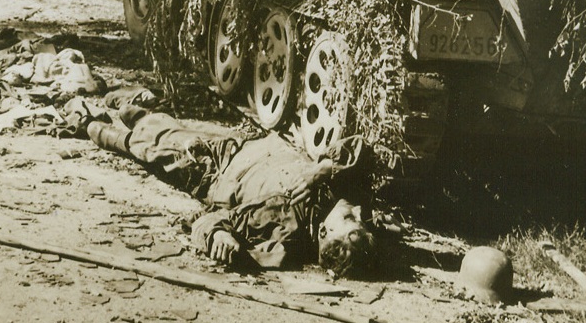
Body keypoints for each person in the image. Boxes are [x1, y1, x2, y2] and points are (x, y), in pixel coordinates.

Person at [88, 111, 378, 277]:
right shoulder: (343, 197)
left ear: (325, 232)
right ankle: (136, 113)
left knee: (148, 144)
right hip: (247, 144)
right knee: (159, 122)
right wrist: (325, 167)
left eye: (351, 218)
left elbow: (209, 221)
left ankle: (95, 127)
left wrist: (218, 237)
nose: (360, 213)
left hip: (212, 166)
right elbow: (361, 149)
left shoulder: (284, 220)